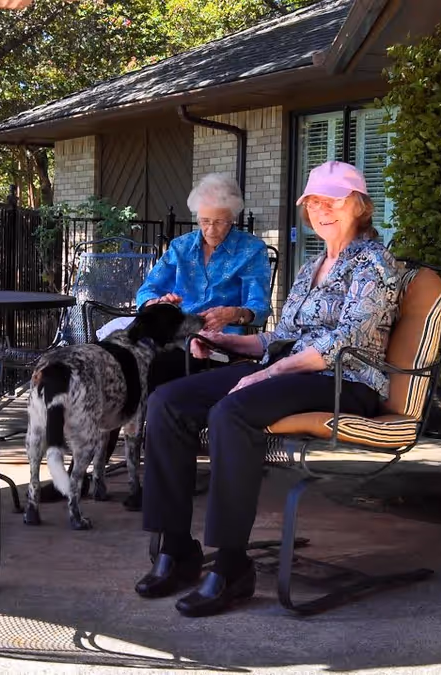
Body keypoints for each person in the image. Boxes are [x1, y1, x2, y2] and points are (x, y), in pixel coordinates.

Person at [133, 160, 404, 617]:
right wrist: (227, 342)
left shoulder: (374, 263)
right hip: (292, 368)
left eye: (333, 202)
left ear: (359, 206)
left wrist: (268, 373)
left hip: (343, 379)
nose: (322, 211)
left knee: (231, 411)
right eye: (314, 202)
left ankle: (232, 566)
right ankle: (175, 548)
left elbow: (344, 342)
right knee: (167, 402)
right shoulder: (313, 264)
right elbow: (282, 337)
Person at [134, 173, 271, 334]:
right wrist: (158, 304)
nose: (211, 230)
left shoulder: (252, 249)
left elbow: (259, 306)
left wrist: (235, 314)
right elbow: (147, 290)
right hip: (175, 331)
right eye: (205, 221)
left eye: (219, 222)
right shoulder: (180, 246)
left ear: (232, 219)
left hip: (222, 336)